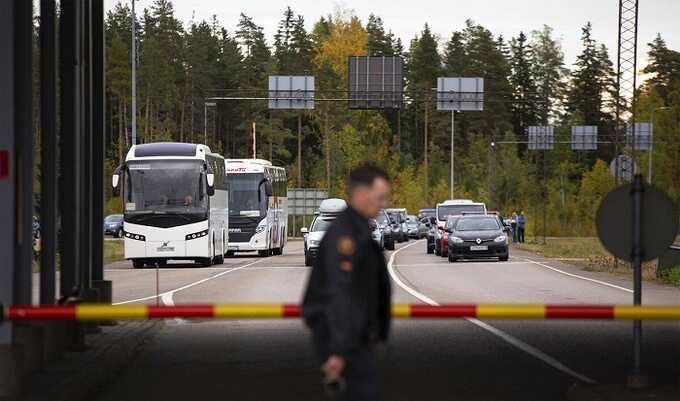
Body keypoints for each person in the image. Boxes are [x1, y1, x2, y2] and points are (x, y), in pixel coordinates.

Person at [302, 164, 392, 401]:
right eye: (379, 197)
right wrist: (338, 352)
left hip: (355, 343)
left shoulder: (356, 230)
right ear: (361, 194)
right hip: (348, 348)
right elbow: (340, 295)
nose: (383, 204)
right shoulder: (345, 238)